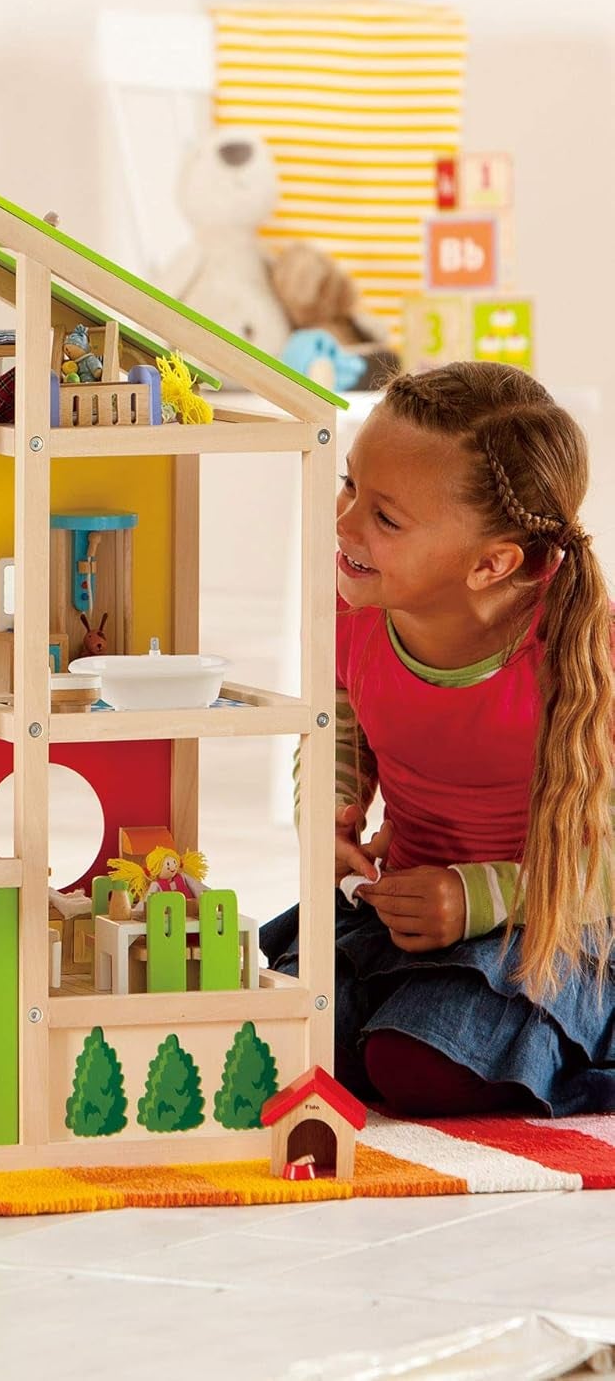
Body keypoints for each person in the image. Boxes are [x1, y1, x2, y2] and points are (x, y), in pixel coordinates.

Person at [263, 362, 615, 1118]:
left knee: (420, 1068)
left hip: (549, 922)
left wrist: (475, 896)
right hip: (406, 907)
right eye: (350, 485)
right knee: (289, 1042)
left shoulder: (580, 655)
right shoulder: (354, 602)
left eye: (385, 518)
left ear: (492, 564)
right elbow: (340, 710)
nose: (345, 523)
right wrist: (329, 808)